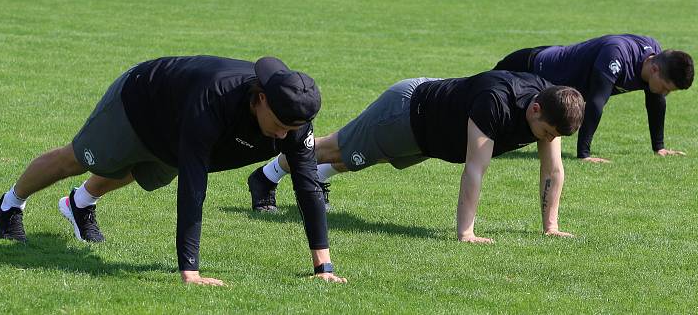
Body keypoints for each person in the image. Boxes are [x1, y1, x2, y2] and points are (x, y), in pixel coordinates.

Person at [0, 55, 346, 285]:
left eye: (293, 128)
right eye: (280, 125)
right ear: (262, 98)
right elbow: (194, 187)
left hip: (174, 126)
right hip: (141, 103)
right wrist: (189, 271)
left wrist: (323, 268)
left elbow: (308, 187)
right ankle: (10, 205)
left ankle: (79, 204)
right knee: (80, 158)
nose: (285, 135)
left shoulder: (294, 123)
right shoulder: (215, 99)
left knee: (140, 171)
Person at [247, 71, 585, 242]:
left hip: (426, 137)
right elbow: (474, 170)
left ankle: (313, 179)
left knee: (353, 159)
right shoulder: (496, 102)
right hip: (408, 113)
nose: (548, 141)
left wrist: (550, 227)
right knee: (332, 148)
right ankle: (266, 176)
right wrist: (465, 233)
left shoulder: (547, 104)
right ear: (536, 108)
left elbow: (553, 169)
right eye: (547, 134)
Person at [493, 34, 694, 163]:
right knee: (490, 97)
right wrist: (584, 154)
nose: (665, 93)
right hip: (532, 66)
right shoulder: (617, 55)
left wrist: (659, 148)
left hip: (546, 77)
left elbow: (655, 101)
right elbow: (596, 103)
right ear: (655, 69)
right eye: (667, 88)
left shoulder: (653, 58)